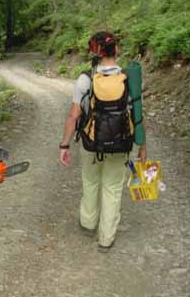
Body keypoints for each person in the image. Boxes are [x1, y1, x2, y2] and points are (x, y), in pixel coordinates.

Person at [59, 31, 147, 252]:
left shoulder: (85, 79)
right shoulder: (129, 79)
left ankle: (88, 224)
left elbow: (73, 115)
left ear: (94, 52)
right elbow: (138, 116)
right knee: (113, 188)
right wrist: (142, 148)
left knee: (90, 182)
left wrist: (65, 144)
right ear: (115, 50)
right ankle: (106, 239)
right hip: (121, 144)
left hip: (91, 143)